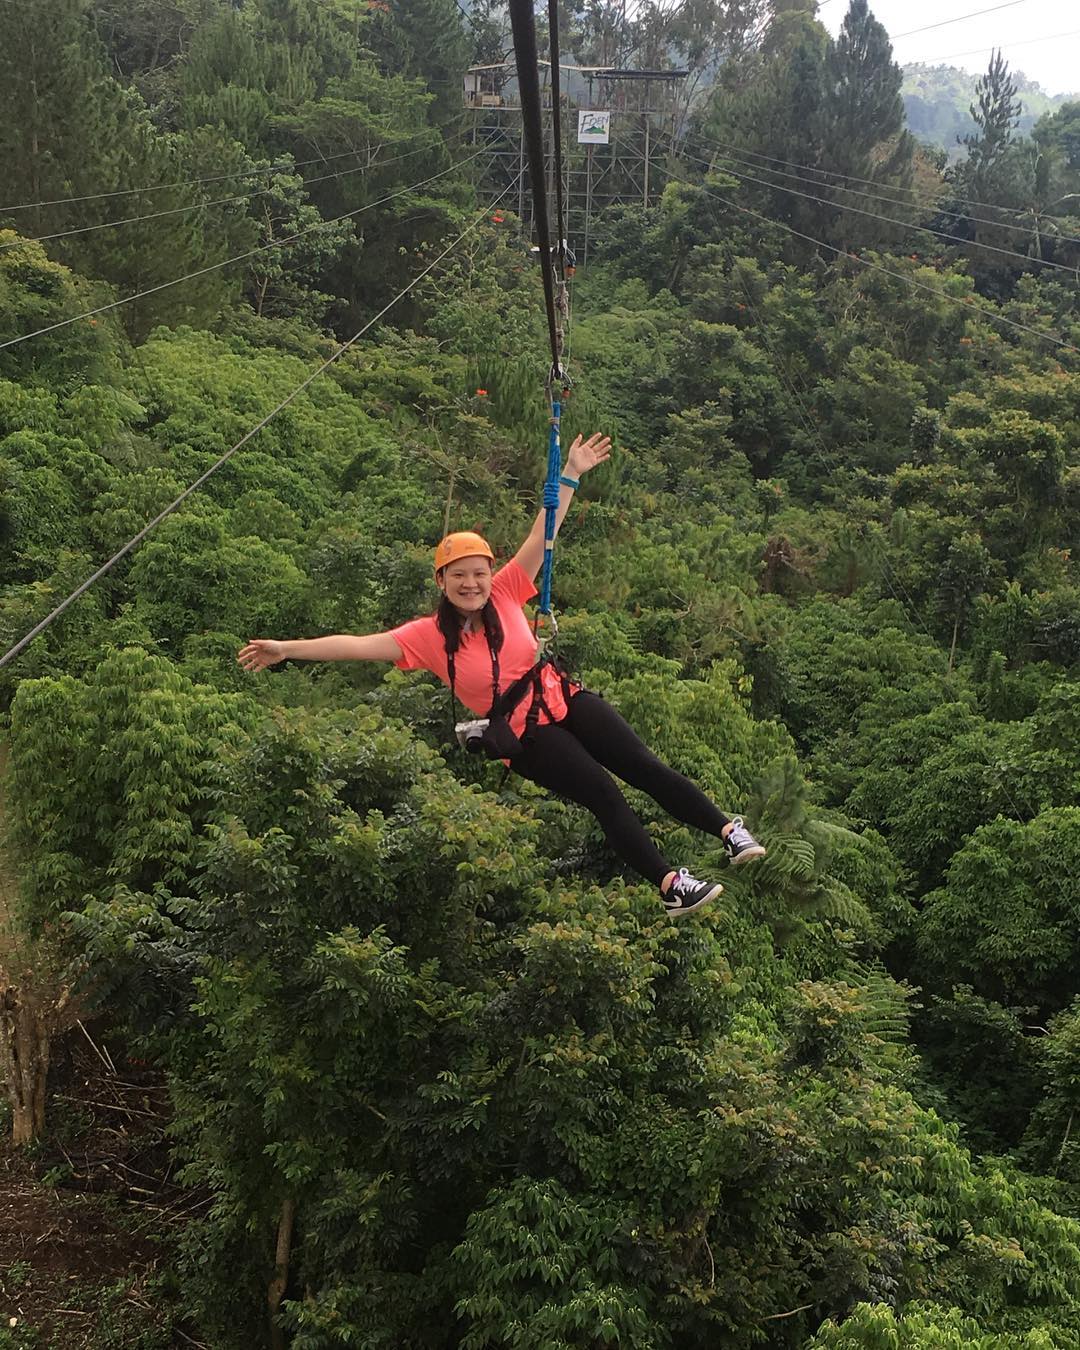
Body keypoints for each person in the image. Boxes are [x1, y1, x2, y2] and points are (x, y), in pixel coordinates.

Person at [237, 431, 765, 917]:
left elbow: (545, 527)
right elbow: (354, 646)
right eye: (459, 576)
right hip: (525, 734)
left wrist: (571, 473)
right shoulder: (427, 636)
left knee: (641, 763)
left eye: (478, 574)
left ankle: (726, 830)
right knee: (604, 793)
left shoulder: (511, 587)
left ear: (491, 576)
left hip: (560, 695)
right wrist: (288, 648)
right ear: (442, 582)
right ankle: (671, 883)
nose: (471, 584)